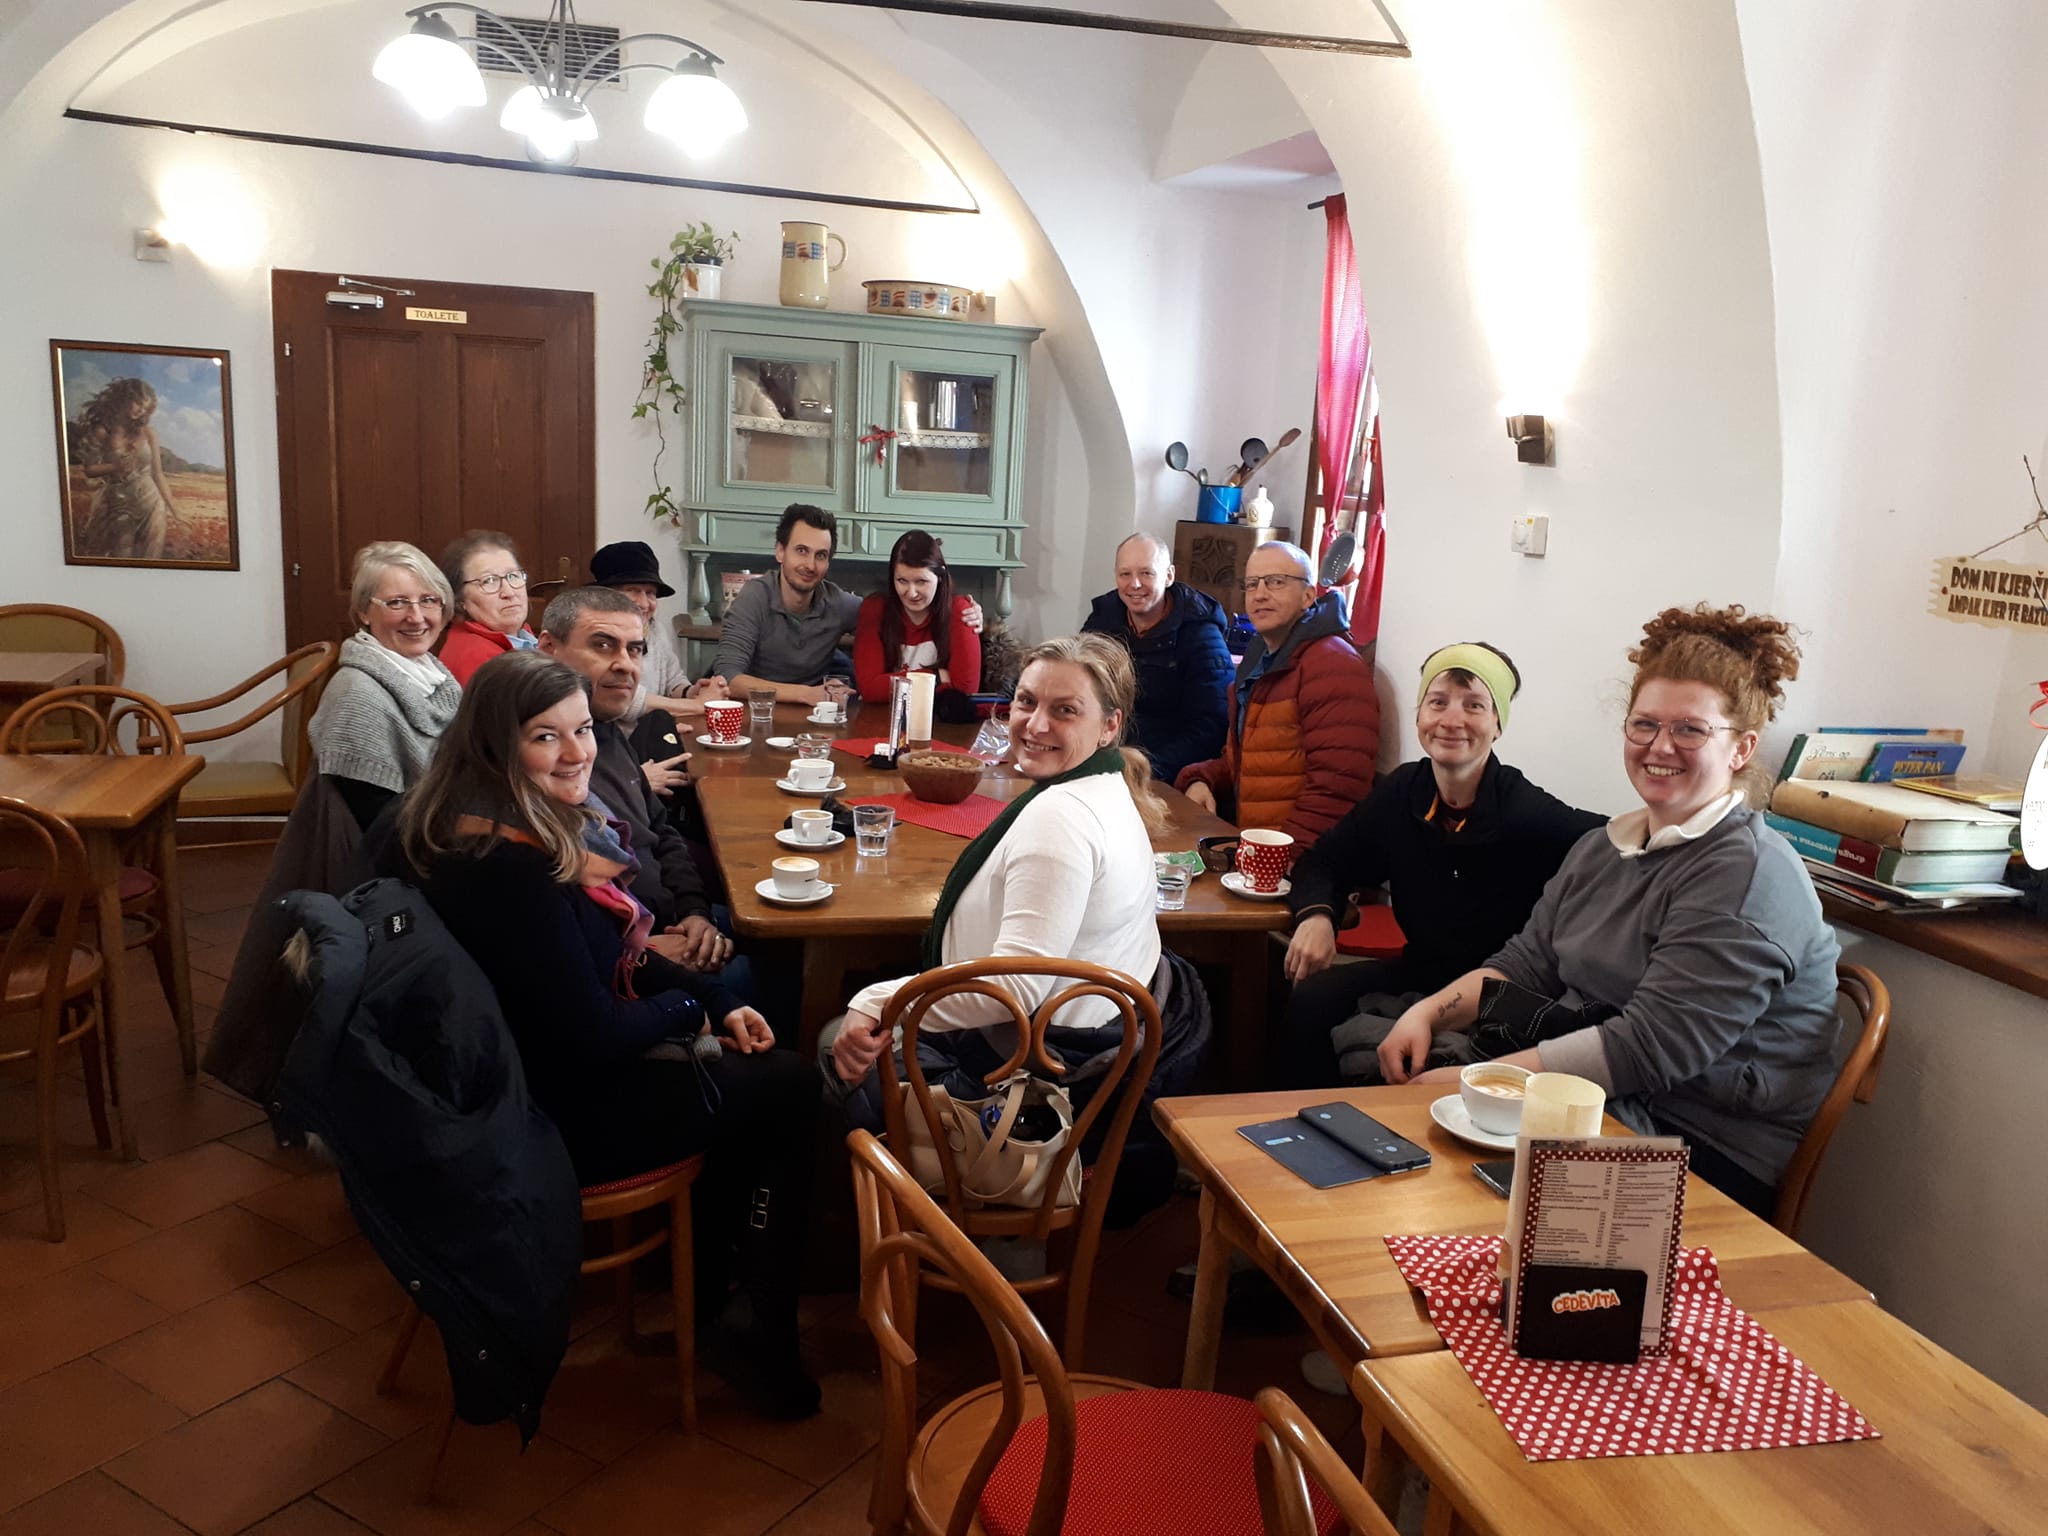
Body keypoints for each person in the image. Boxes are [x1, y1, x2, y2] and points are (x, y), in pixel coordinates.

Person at [385, 651, 822, 1417]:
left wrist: (714, 999)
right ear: (492, 744)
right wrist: (691, 1014)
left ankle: (717, 1290)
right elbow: (593, 1033)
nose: (577, 752)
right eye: (544, 737)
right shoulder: (508, 869)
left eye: (582, 730)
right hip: (546, 1120)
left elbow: (607, 958)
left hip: (529, 1075)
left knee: (760, 1075)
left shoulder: (490, 823)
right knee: (791, 1086)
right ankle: (753, 1327)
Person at [1384, 605, 1841, 1216]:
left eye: (1690, 730)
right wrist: (1427, 1013)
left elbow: (1648, 1048)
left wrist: (1489, 1086)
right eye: (1644, 725)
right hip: (1591, 1102)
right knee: (1393, 1132)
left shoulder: (1747, 875)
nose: (1660, 746)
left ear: (1742, 748)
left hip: (1701, 1147)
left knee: (1437, 1184)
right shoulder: (1603, 848)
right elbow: (1526, 965)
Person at [821, 634, 1210, 1216]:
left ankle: (943, 1231)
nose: (1036, 724)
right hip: (1098, 1046)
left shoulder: (1060, 820)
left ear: (1109, 726)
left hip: (1041, 1076)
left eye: (1065, 710)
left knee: (835, 1040)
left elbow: (1013, 990)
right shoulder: (1107, 787)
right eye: (1026, 702)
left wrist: (878, 1002)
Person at [1278, 642, 1605, 1085]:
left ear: (1498, 724)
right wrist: (1317, 916)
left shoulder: (1525, 811)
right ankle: (1307, 1119)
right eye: (1437, 702)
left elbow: (1612, 843)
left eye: (1474, 705)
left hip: (1498, 992)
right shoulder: (1403, 792)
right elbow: (1325, 860)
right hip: (1422, 972)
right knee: (1311, 998)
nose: (1452, 720)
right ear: (1419, 716)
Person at [535, 586, 744, 989]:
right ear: (548, 649)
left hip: (671, 922)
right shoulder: (548, 762)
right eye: (602, 645)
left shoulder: (607, 731)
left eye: (635, 650)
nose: (625, 665)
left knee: (788, 941)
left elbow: (662, 833)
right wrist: (638, 952)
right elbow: (559, 920)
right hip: (627, 960)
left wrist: (695, 913)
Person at [1175, 542, 1378, 847]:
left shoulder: (1333, 665)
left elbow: (1337, 789)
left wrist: (1278, 859)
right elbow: (1253, 762)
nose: (1260, 594)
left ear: (1308, 595)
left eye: (1276, 582)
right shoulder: (1262, 657)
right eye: (1252, 584)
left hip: (1295, 857)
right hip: (1255, 845)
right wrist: (1203, 778)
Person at [716, 504, 983, 707]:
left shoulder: (839, 604)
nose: (810, 565)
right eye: (801, 551)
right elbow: (727, 677)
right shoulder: (754, 596)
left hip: (816, 716)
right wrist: (806, 693)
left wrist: (969, 613)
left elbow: (890, 616)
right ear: (780, 551)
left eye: (821, 555)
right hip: (755, 712)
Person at [307, 541, 462, 831]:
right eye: (397, 603)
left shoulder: (431, 674)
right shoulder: (357, 696)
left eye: (428, 600)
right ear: (364, 611)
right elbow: (380, 825)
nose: (416, 617)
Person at [1080, 531, 1230, 783]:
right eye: (1125, 574)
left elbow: (1212, 726)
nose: (1135, 584)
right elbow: (1077, 684)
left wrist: (1144, 769)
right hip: (1102, 759)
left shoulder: (1201, 634)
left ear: (1169, 576)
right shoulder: (1103, 620)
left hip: (1166, 772)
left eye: (1146, 573)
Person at [590, 539, 728, 801]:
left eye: (650, 593)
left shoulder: (654, 629)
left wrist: (692, 692)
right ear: (605, 595)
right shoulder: (598, 637)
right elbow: (628, 702)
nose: (644, 603)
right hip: (613, 757)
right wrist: (698, 706)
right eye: (633, 590)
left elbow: (673, 680)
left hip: (649, 740)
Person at [852, 529, 982, 701]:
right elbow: (869, 688)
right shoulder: (875, 608)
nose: (911, 593)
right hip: (883, 714)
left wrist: (891, 683)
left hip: (939, 715)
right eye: (902, 581)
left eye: (921, 581)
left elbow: (966, 690)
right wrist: (937, 676)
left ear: (940, 577)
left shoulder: (961, 611)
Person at [73, 376, 178, 560]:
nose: (141, 411)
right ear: (124, 398)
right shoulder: (103, 431)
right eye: (138, 404)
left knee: (152, 557)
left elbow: (157, 473)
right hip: (118, 502)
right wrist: (115, 466)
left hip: (151, 502)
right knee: (122, 555)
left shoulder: (148, 432)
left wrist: (175, 510)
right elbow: (89, 470)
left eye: (145, 408)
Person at [436, 530, 539, 685]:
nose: (509, 592)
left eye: (513, 576)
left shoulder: (523, 637)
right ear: (460, 599)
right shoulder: (475, 657)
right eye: (489, 581)